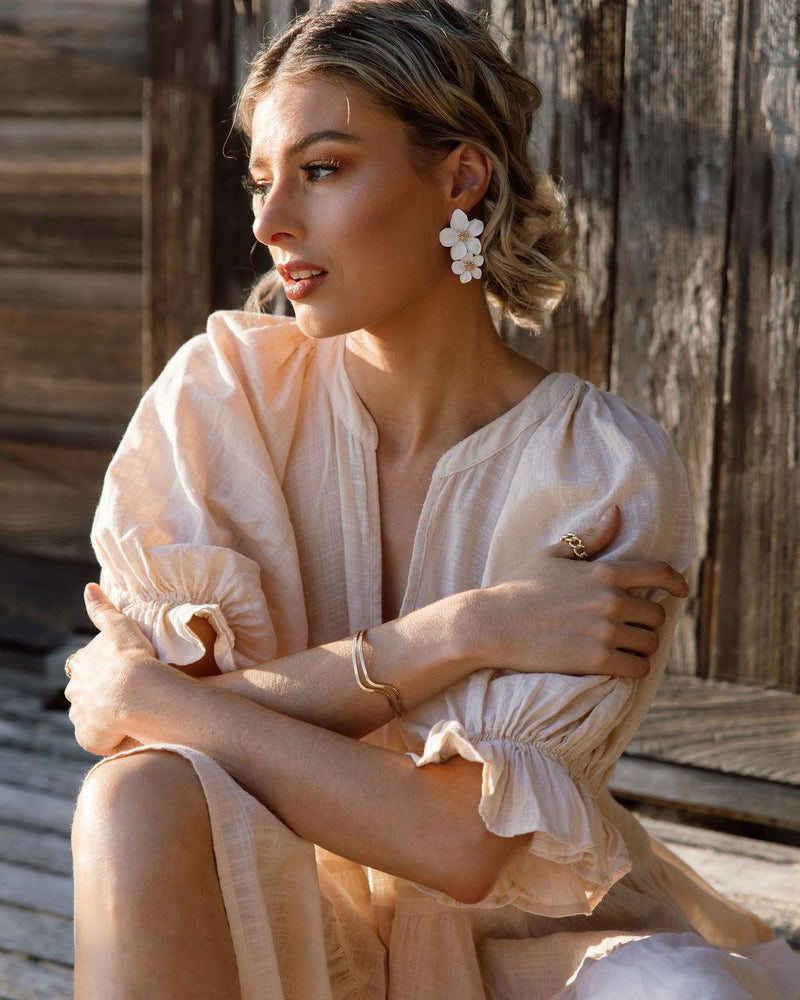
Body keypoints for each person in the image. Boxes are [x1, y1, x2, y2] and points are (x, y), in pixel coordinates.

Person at [64, 1, 799, 997]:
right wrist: (466, 629)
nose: (270, 222)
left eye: (323, 169)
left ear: (459, 178)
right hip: (281, 922)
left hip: (521, 949)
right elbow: (153, 753)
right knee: (133, 795)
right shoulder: (219, 401)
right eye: (263, 179)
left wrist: (150, 696)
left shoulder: (599, 469)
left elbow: (458, 843)